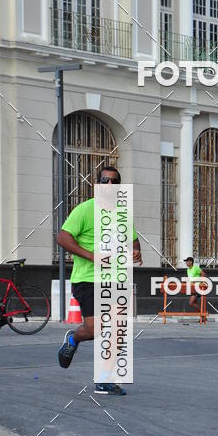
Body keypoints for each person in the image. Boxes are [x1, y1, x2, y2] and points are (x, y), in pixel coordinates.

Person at [56, 167, 142, 395]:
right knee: (96, 329)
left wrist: (136, 253)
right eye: (106, 181)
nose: (110, 185)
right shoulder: (85, 210)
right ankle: (74, 338)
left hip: (116, 280)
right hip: (88, 279)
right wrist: (92, 256)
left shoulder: (123, 214)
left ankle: (104, 379)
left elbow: (134, 243)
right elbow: (62, 238)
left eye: (115, 181)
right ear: (98, 184)